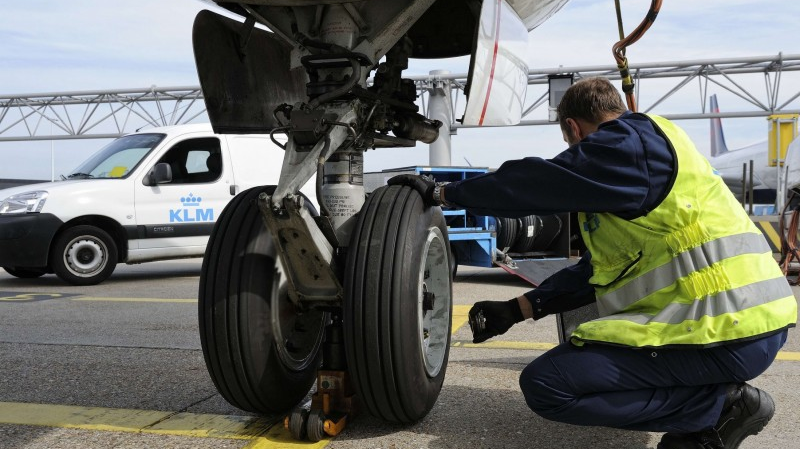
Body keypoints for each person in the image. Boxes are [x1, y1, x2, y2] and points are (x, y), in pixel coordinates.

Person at [388, 77, 797, 449]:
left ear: (572, 128)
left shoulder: (627, 145)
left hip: (724, 332)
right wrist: (516, 310)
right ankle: (704, 417)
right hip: (755, 325)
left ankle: (718, 409)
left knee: (548, 386)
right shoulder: (653, 156)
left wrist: (445, 194)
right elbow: (598, 272)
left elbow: (538, 181)